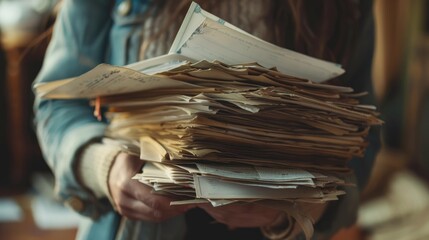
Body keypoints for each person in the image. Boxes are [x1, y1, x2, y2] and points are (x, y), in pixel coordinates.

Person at [33, 0, 380, 239]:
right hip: (138, 226)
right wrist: (105, 168)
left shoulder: (348, 6)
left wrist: (299, 208)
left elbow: (361, 134)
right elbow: (57, 105)